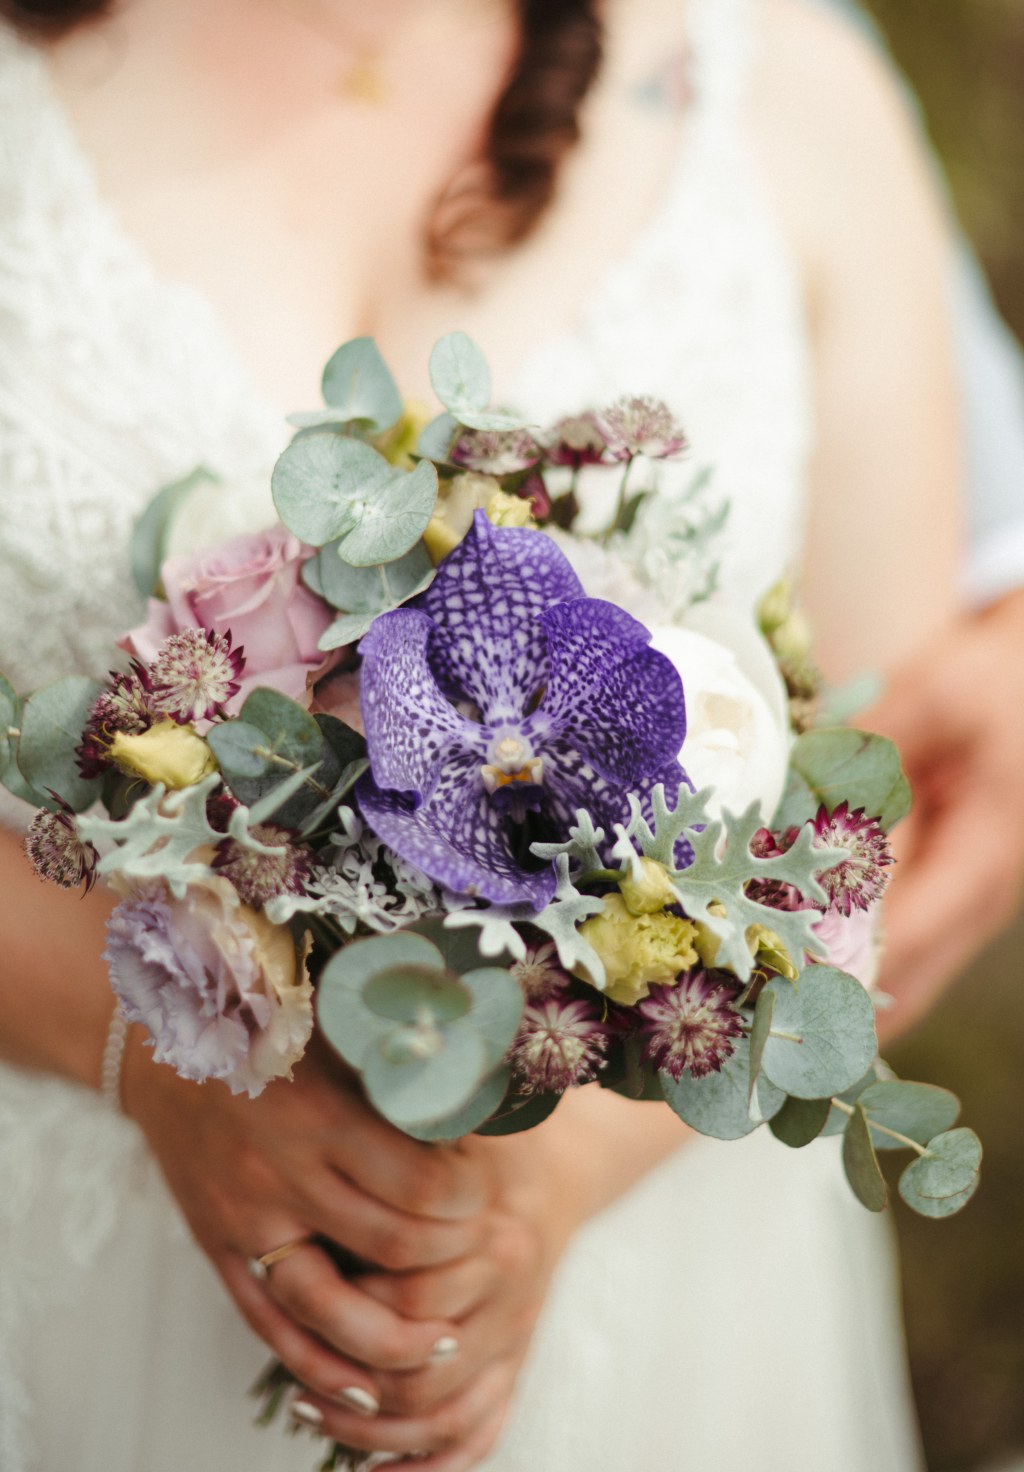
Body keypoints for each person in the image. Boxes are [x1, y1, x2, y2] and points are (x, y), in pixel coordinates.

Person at [0, 1, 1019, 1469]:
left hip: (650, 1306)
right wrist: (148, 1061)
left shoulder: (788, 92)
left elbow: (896, 794)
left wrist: (566, 1171)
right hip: (85, 1276)